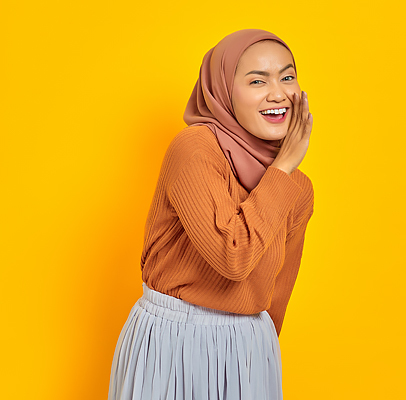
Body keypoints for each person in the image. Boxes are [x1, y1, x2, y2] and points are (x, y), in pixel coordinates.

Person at [107, 28, 314, 400]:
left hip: (249, 349)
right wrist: (282, 168)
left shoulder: (297, 187)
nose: (279, 93)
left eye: (287, 76)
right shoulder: (195, 150)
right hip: (174, 342)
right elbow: (232, 256)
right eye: (257, 80)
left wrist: (259, 358)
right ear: (222, 91)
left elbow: (276, 296)